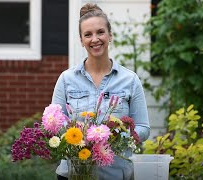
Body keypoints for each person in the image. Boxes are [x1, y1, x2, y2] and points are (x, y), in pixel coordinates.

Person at [52, 3, 150, 180]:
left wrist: (117, 136)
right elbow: (54, 125)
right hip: (74, 174)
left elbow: (143, 128)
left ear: (110, 35)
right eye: (87, 34)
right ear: (81, 40)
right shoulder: (66, 79)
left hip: (116, 174)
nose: (94, 39)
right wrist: (78, 135)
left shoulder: (130, 80)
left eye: (100, 32)